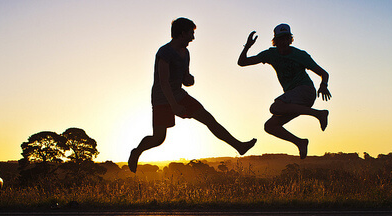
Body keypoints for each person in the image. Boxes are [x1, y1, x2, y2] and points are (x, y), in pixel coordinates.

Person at [129, 18, 256, 172]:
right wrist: (174, 105)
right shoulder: (165, 52)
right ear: (182, 33)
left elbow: (184, 78)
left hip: (178, 94)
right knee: (158, 138)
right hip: (162, 98)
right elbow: (163, 82)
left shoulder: (186, 53)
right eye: (191, 33)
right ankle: (136, 152)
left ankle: (239, 146)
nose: (193, 37)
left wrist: (189, 80)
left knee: (208, 118)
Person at [238, 23, 331, 159]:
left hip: (306, 92)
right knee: (270, 126)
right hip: (293, 101)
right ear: (275, 41)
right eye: (280, 39)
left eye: (286, 38)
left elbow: (324, 73)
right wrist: (247, 46)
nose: (283, 42)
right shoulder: (270, 54)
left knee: (275, 107)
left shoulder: (300, 55)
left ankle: (319, 114)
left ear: (290, 39)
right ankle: (300, 142)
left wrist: (323, 85)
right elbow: (242, 62)